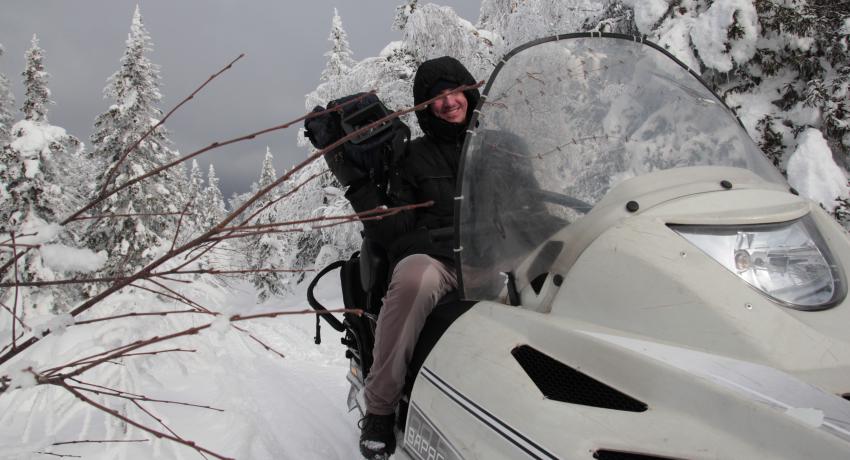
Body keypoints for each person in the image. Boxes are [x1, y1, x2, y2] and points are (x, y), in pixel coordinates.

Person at [305, 56, 479, 459]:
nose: (449, 101)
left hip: (499, 256)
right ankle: (381, 407)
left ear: (470, 90)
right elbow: (394, 232)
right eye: (436, 97)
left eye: (455, 91)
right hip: (444, 262)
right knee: (414, 277)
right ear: (423, 106)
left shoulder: (503, 145)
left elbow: (533, 204)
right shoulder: (414, 157)